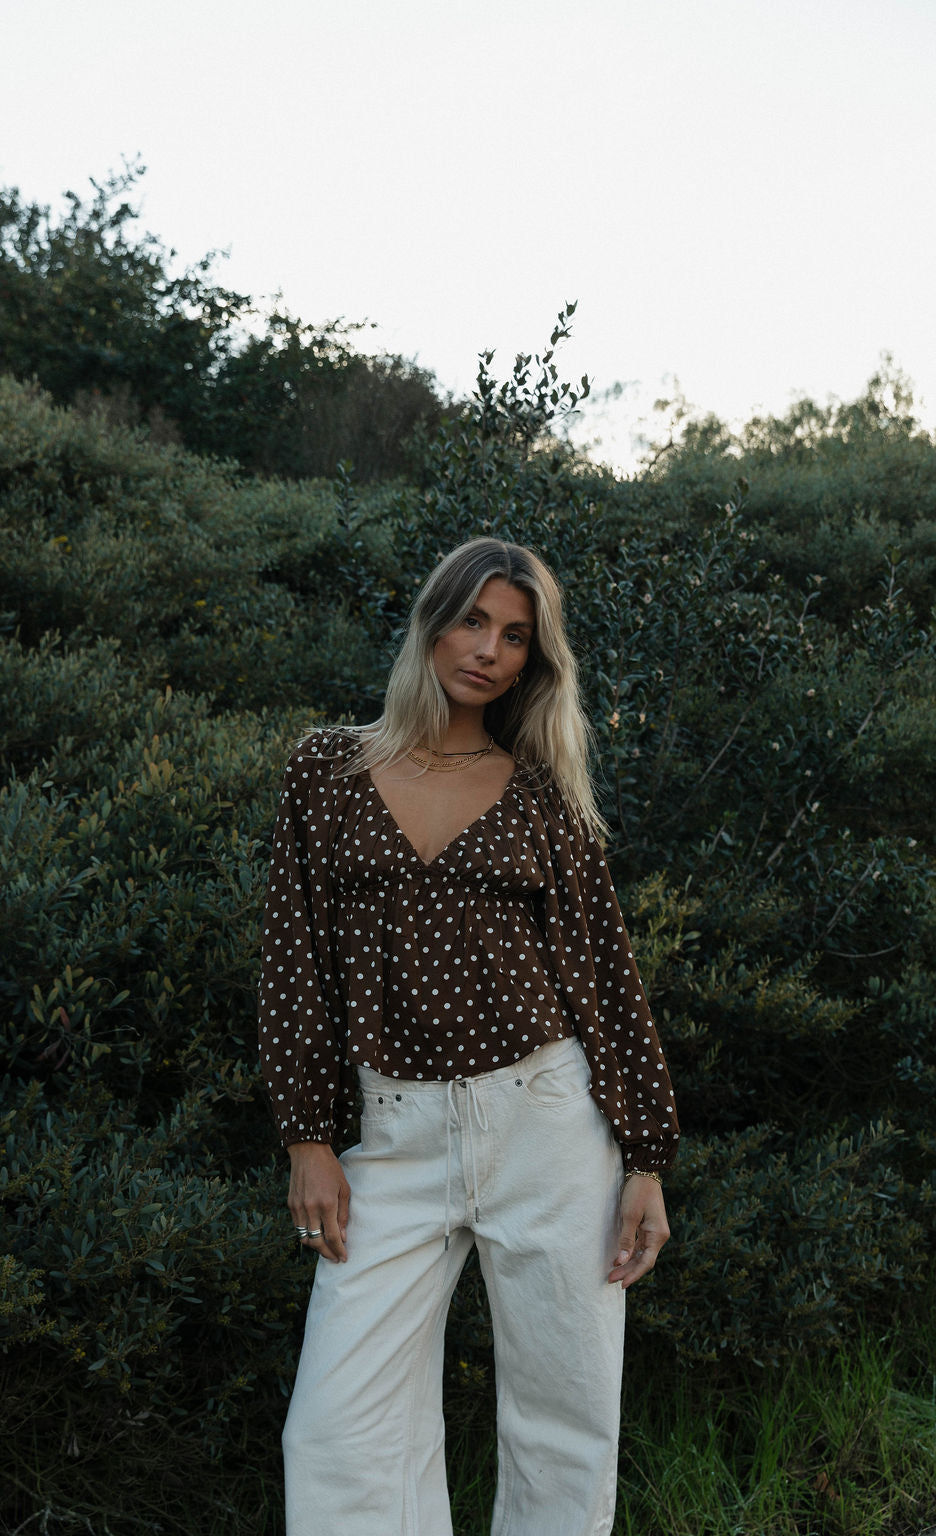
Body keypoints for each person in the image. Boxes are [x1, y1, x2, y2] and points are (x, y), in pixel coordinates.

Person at [257, 537, 679, 1536]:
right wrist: (307, 1139)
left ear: (533, 661)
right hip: (393, 1136)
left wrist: (645, 1159)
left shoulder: (540, 788)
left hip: (546, 1124)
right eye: (473, 621)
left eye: (516, 637)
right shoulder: (326, 768)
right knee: (335, 1431)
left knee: (563, 1417)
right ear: (431, 622)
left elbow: (604, 971)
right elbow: (291, 962)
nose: (489, 650)